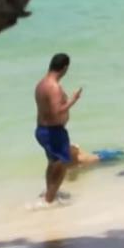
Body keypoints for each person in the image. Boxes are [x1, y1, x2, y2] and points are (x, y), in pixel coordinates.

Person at [34, 52, 82, 204]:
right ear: (65, 68)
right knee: (62, 165)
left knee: (52, 163)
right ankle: (49, 200)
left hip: (43, 129)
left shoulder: (41, 84)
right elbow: (57, 110)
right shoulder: (54, 87)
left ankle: (50, 193)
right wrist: (73, 100)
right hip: (53, 131)